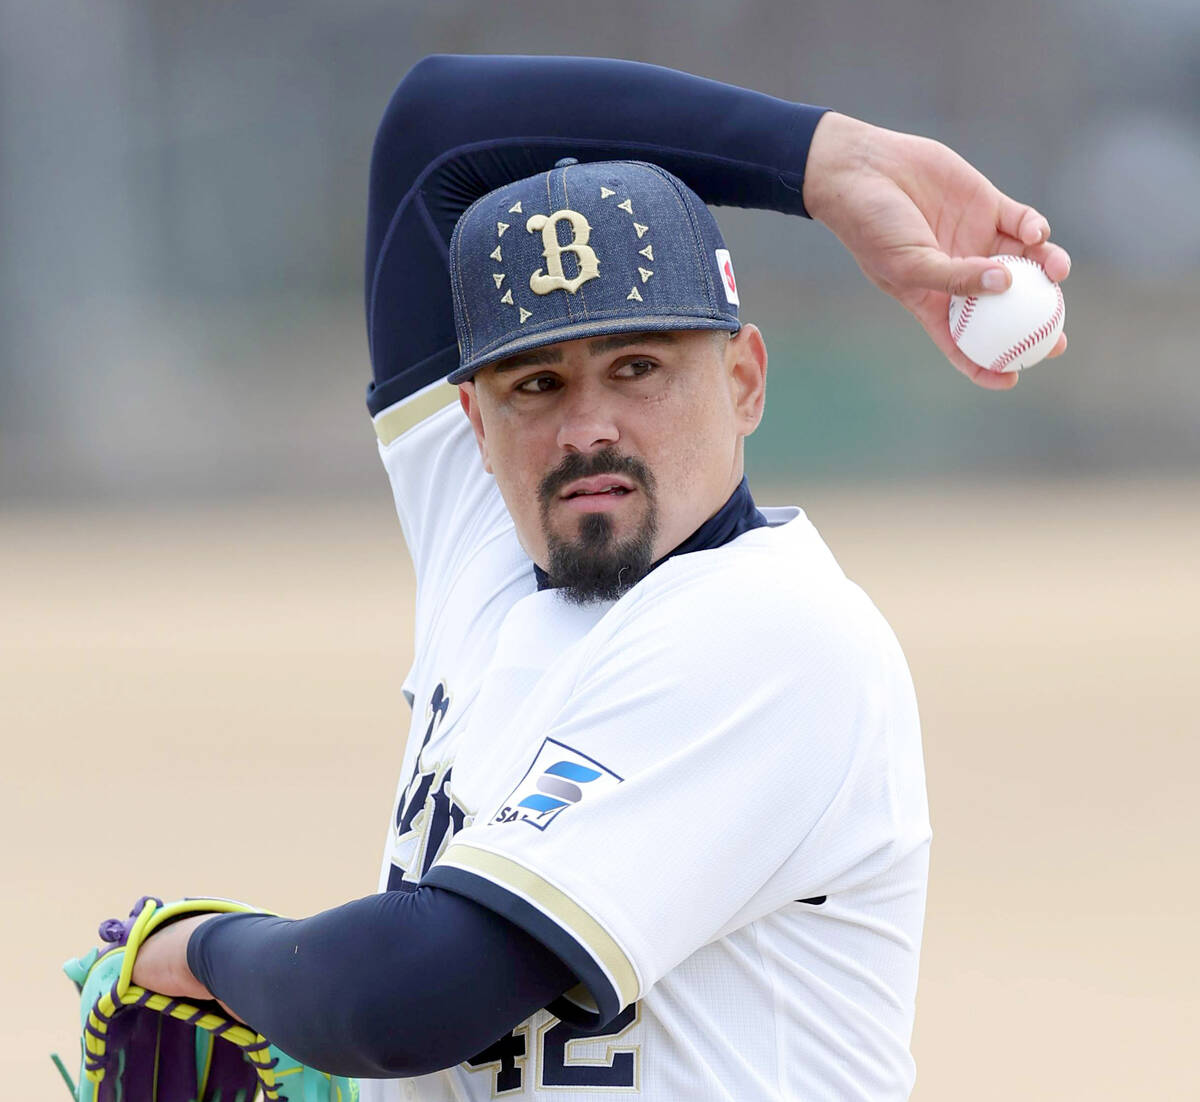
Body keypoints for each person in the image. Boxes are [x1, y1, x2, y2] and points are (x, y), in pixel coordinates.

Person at [130, 56, 1070, 1100]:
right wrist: (821, 162)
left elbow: (400, 999)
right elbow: (434, 134)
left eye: (638, 366)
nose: (587, 428)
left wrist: (202, 947)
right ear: (477, 425)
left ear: (745, 378)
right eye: (538, 381)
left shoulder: (772, 632)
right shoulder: (489, 554)